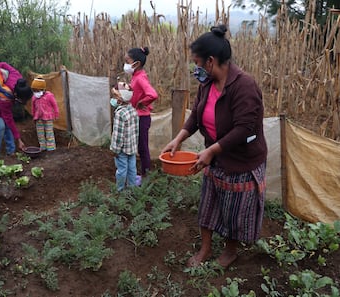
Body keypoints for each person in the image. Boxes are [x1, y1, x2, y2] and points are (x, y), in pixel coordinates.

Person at [162, 25, 267, 268]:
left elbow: (244, 129)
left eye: (196, 63)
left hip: (241, 161)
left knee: (234, 212)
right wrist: (179, 138)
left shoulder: (244, 86)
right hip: (216, 158)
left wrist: (211, 151)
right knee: (208, 206)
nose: (195, 69)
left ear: (210, 62)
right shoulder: (206, 85)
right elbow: (196, 117)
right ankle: (205, 248)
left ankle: (231, 251)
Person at [124, 46, 158, 176]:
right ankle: (143, 172)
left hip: (142, 118)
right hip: (138, 117)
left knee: (142, 147)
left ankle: (146, 174)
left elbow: (153, 94)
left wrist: (141, 102)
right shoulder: (136, 76)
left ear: (136, 63)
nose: (126, 65)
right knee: (139, 146)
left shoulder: (140, 78)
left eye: (127, 62)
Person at [110, 86, 139, 191]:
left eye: (115, 96)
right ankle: (132, 188)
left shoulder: (120, 114)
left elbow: (118, 135)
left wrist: (115, 150)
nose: (113, 99)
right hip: (131, 147)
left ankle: (120, 189)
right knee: (132, 168)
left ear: (120, 100)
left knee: (122, 170)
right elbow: (136, 130)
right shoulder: (133, 110)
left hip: (121, 149)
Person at [30, 77, 59, 151]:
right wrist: (33, 115)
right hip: (38, 118)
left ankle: (51, 148)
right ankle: (42, 147)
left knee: (49, 132)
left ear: (43, 89)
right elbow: (33, 107)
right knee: (40, 133)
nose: (35, 92)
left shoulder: (49, 96)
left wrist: (56, 114)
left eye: (37, 90)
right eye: (34, 90)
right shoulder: (34, 97)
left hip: (48, 118)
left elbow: (54, 105)